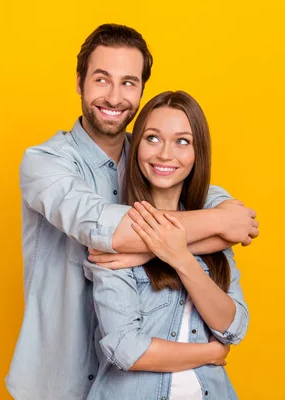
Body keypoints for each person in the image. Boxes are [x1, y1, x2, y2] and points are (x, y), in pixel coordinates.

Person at [6, 24, 259, 400]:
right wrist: (217, 222)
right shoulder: (45, 163)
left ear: (141, 88)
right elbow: (114, 232)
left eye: (128, 82)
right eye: (101, 79)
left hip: (137, 384)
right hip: (58, 380)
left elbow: (236, 222)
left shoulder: (154, 159)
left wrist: (152, 249)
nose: (114, 96)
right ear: (79, 82)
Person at [85, 91, 248, 400]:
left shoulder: (214, 228)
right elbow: (126, 349)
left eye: (182, 141)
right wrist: (209, 354)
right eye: (152, 138)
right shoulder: (114, 234)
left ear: (198, 152)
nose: (165, 155)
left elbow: (234, 325)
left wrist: (180, 257)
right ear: (136, 148)